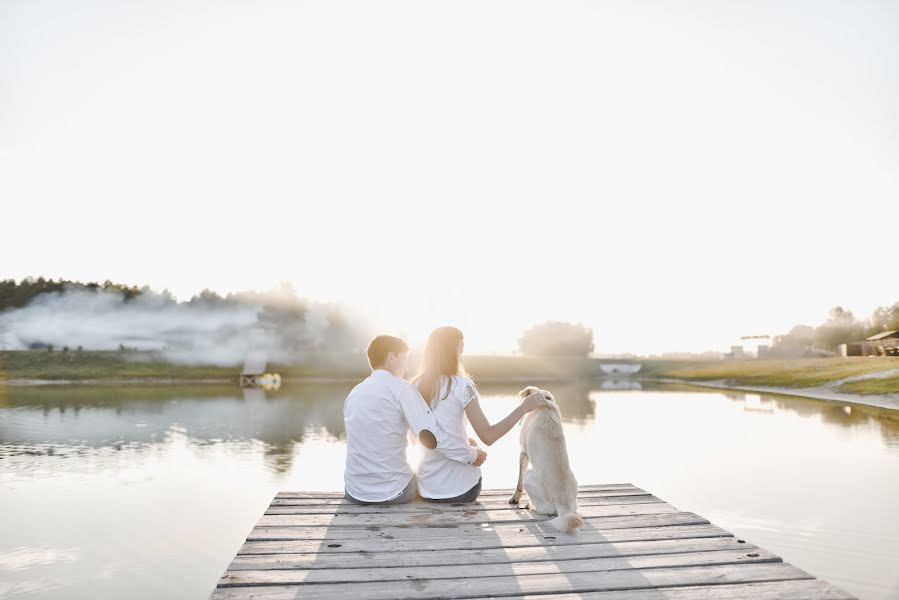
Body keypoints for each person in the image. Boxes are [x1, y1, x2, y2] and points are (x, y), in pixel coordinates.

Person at [343, 335, 485, 505]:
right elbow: (431, 438)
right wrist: (472, 455)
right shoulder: (402, 389)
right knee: (428, 482)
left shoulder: (355, 393)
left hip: (354, 492)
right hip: (394, 492)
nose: (406, 366)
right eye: (404, 359)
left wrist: (459, 438)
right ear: (391, 357)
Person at [413, 326, 544, 503]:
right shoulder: (462, 385)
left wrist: (463, 439)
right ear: (455, 352)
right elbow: (488, 436)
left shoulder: (415, 386)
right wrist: (523, 408)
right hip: (461, 490)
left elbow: (419, 437)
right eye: (460, 349)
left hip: (426, 488)